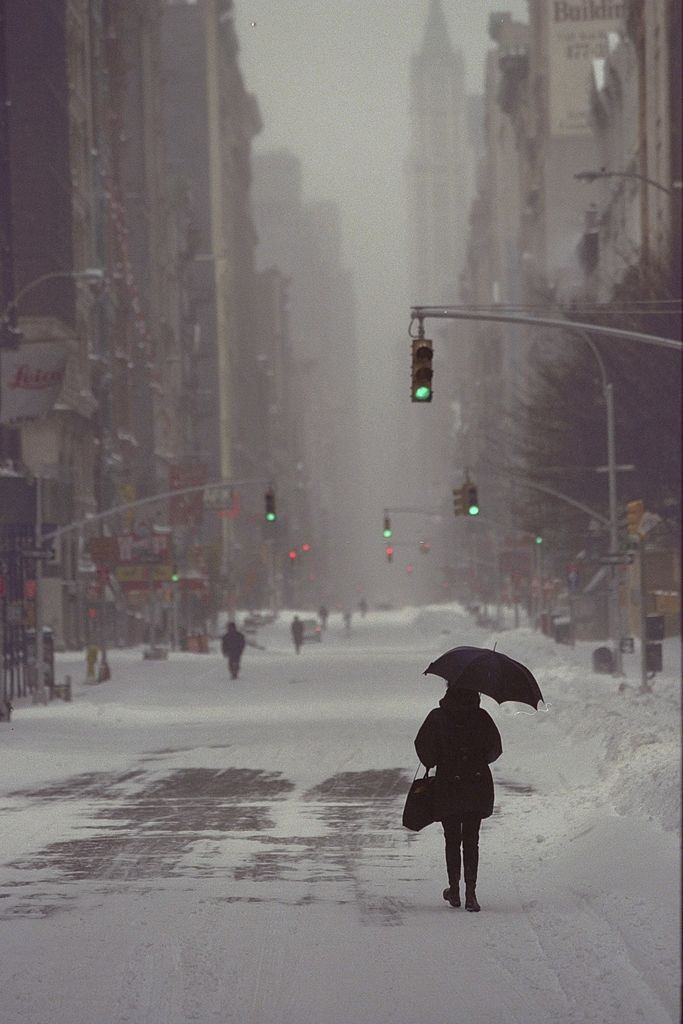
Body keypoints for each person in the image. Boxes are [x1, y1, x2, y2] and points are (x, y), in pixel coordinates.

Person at [414, 682, 502, 912]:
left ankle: (454, 890)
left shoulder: (437, 717)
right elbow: (495, 749)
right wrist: (477, 759)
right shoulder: (482, 717)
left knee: (452, 839)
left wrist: (441, 757)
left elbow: (425, 752)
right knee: (472, 840)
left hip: (448, 786)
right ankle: (471, 893)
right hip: (476, 783)